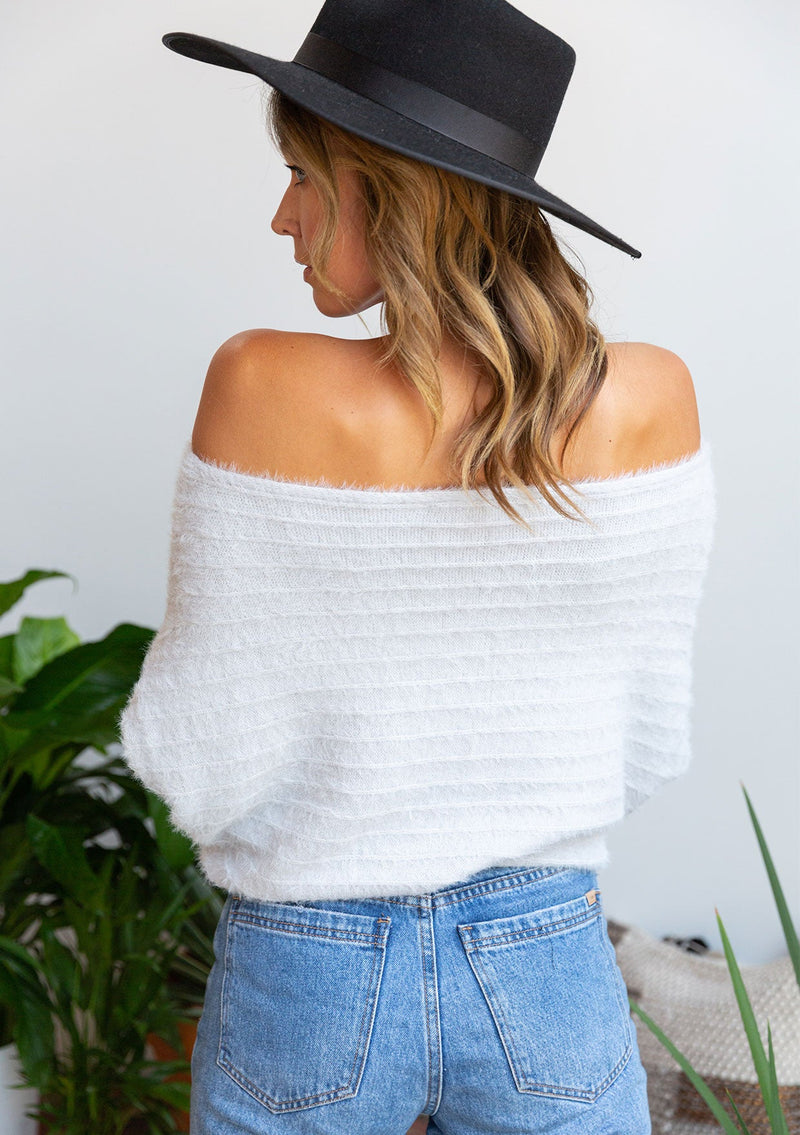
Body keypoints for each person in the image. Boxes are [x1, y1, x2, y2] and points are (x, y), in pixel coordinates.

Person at [118, 2, 717, 1132]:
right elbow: (645, 740)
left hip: (308, 964)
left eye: (303, 176)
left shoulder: (259, 382)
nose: (282, 216)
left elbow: (196, 752)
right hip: (546, 960)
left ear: (393, 192)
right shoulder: (654, 396)